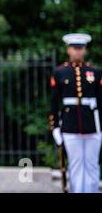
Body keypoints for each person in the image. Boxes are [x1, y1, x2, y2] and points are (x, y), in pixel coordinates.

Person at [49, 33, 101, 193]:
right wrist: (55, 127)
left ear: (85, 50)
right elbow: (53, 103)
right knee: (76, 164)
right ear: (68, 50)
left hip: (93, 125)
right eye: (74, 48)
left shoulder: (95, 71)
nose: (77, 51)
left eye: (80, 48)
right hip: (70, 125)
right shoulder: (60, 72)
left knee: (92, 164)